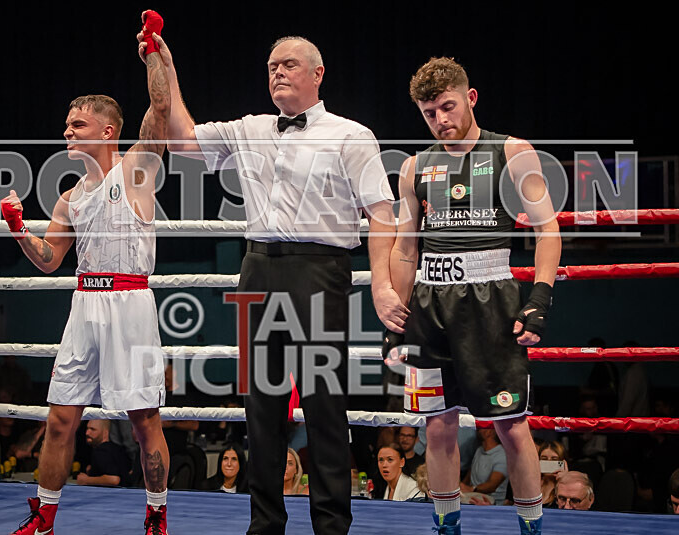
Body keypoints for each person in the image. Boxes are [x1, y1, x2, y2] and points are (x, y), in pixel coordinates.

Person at [160, 31, 401, 534]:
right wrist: (165, 63)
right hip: (259, 268)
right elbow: (180, 140)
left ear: (317, 74)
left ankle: (331, 527)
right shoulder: (248, 128)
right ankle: (264, 525)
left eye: (289, 64)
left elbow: (382, 212)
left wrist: (381, 284)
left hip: (320, 271)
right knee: (260, 409)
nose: (277, 73)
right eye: (271, 66)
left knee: (323, 406)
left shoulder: (350, 135)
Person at [4, 11, 171, 535]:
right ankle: (45, 517)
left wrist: (153, 53)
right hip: (84, 304)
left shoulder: (136, 171)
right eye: (66, 123)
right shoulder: (70, 196)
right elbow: (51, 259)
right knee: (59, 420)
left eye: (76, 124)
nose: (66, 131)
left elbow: (161, 108)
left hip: (131, 304)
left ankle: (157, 512)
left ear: (107, 129)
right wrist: (18, 231)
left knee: (144, 424)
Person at [383, 57, 561, 535]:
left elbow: (548, 229)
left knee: (511, 426)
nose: (441, 120)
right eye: (429, 113)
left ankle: (530, 528)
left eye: (447, 106)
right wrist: (393, 320)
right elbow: (405, 246)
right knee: (436, 425)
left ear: (471, 98)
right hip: (428, 305)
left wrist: (539, 298)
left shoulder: (512, 151)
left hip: (491, 305)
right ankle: (446, 527)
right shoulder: (415, 166)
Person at [460, 429, 509, 506]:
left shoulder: (502, 455)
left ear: (490, 431)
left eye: (482, 427)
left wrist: (471, 489)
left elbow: (492, 485)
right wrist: (461, 486)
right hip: (472, 498)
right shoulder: (479, 450)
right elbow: (470, 474)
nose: (477, 429)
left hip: (492, 504)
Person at [76, 420, 131, 487]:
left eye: (93, 429)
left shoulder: (102, 450)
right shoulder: (118, 449)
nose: (87, 433)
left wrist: (86, 480)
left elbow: (114, 480)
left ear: (105, 432)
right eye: (87, 428)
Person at [537, 440, 568, 507]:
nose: (549, 462)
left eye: (554, 459)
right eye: (544, 459)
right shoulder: (533, 484)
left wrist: (564, 480)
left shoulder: (567, 487)